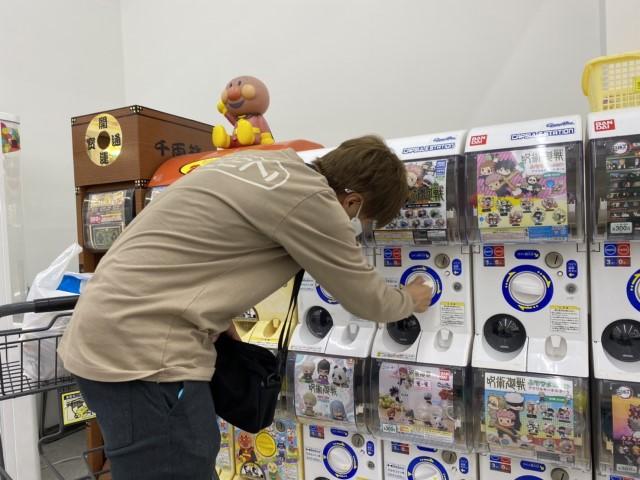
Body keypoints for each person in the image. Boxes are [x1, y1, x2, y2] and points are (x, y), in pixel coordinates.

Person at [58, 135, 433, 479]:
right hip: (145, 357)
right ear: (352, 202)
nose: (353, 227)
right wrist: (410, 299)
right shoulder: (314, 201)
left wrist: (218, 319)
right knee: (179, 463)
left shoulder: (262, 165)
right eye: (361, 221)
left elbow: (195, 252)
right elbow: (366, 298)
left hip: (105, 334)